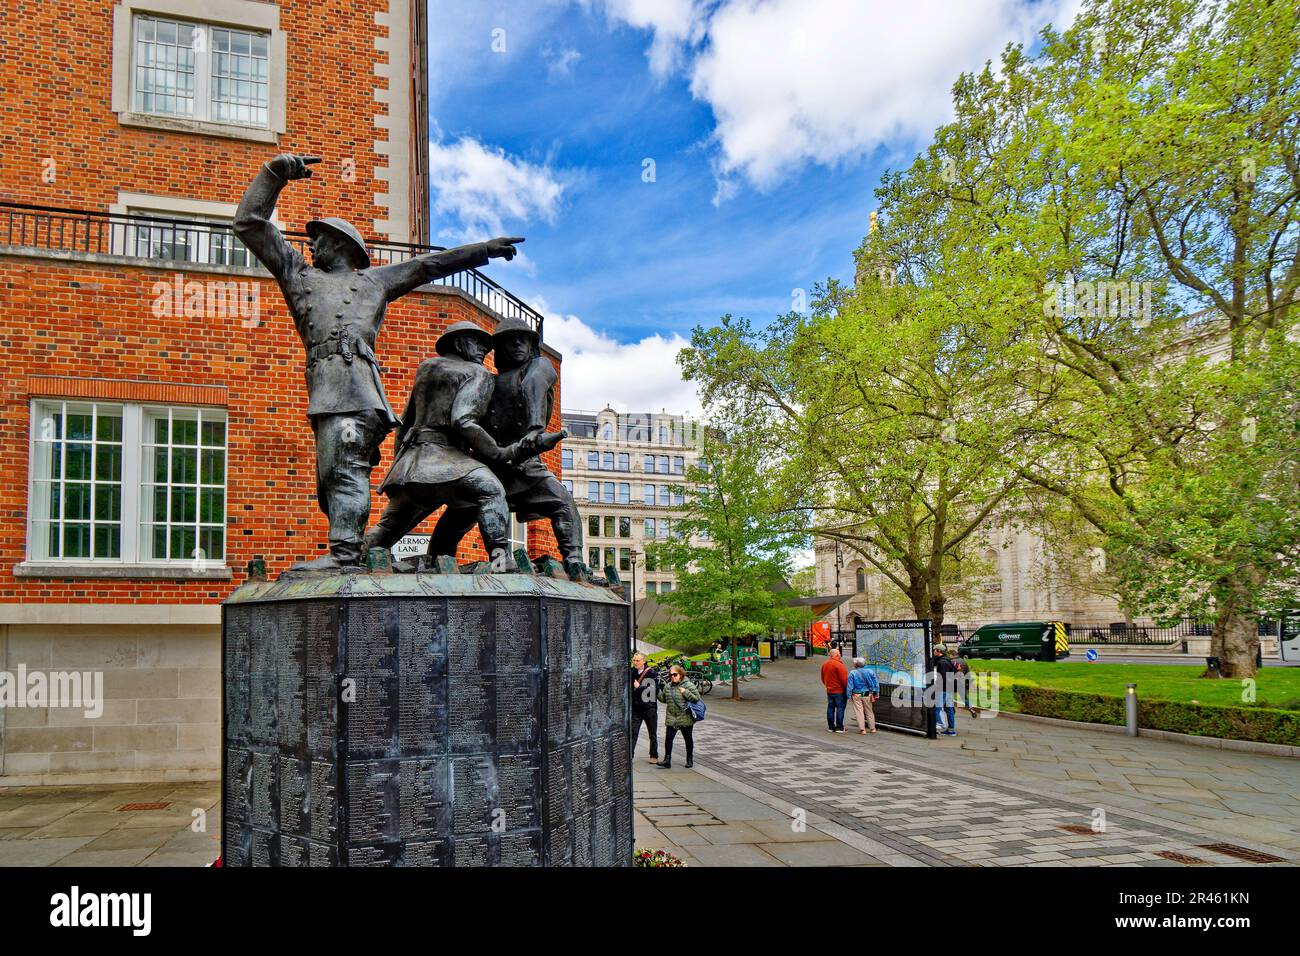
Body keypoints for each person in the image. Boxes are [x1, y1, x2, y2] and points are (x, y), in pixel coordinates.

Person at [233, 152, 522, 570]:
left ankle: (345, 554)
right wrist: (274, 174)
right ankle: (350, 548)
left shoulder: (372, 282)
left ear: (340, 245)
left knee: (344, 470)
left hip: (357, 394)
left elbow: (427, 265)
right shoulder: (299, 275)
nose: (310, 244)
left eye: (319, 238)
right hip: (328, 393)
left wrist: (483, 250)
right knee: (330, 475)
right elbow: (249, 224)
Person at [364, 323, 557, 570]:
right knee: (492, 491)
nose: (484, 350)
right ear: (458, 343)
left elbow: (405, 423)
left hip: (412, 465)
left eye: (486, 346)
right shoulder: (477, 373)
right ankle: (501, 561)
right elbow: (463, 421)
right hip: (449, 459)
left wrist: (399, 467)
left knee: (386, 529)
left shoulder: (426, 368)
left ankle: (350, 557)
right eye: (478, 343)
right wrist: (498, 453)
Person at [656, 664, 701, 769]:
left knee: (688, 739)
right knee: (668, 739)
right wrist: (657, 691)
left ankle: (689, 759)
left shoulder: (688, 685)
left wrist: (686, 692)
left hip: (685, 717)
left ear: (681, 674)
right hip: (672, 717)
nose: (672, 677)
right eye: (670, 675)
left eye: (675, 674)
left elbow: (696, 698)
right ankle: (667, 760)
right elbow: (663, 699)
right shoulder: (668, 686)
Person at [629, 652, 659, 763]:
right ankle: (630, 756)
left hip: (649, 708)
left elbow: (653, 690)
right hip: (636, 708)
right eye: (634, 660)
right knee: (633, 732)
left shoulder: (651, 672)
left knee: (652, 733)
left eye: (637, 660)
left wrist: (639, 687)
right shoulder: (632, 672)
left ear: (643, 661)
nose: (635, 662)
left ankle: (654, 755)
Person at [929, 645, 958, 736]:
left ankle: (940, 724)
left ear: (939, 651)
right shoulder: (947, 660)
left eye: (934, 650)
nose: (933, 652)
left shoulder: (942, 662)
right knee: (949, 708)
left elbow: (943, 677)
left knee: (937, 707)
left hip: (943, 688)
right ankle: (951, 730)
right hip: (949, 688)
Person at [846, 657, 880, 734]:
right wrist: (877, 692)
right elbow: (876, 683)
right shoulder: (870, 671)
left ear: (856, 664)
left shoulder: (852, 673)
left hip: (856, 694)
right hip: (867, 694)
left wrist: (849, 696)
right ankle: (872, 728)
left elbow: (849, 686)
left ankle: (862, 729)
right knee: (869, 711)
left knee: (859, 712)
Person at [820, 647, 849, 733]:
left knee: (830, 708)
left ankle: (831, 727)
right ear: (836, 655)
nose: (840, 655)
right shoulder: (839, 665)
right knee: (840, 708)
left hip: (829, 690)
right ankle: (839, 727)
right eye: (839, 653)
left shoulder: (825, 664)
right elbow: (844, 680)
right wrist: (847, 689)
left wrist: (828, 685)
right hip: (839, 691)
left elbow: (823, 678)